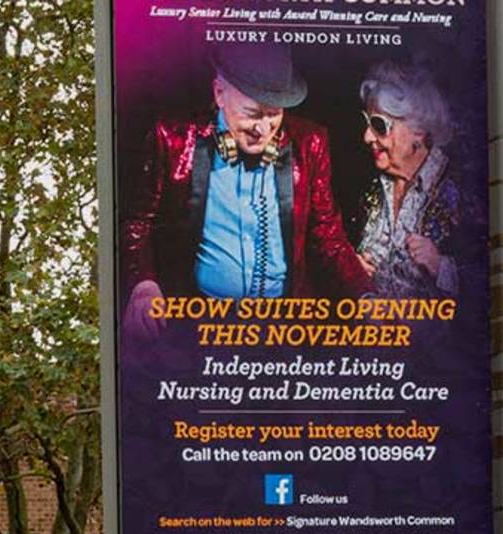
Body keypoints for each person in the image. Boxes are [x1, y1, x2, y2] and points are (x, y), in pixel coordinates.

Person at [120, 42, 372, 337]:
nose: (263, 129)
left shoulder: (309, 143)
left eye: (274, 114)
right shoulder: (173, 139)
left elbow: (327, 233)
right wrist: (143, 284)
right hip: (198, 327)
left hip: (283, 330)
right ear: (219, 93)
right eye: (252, 113)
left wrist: (364, 296)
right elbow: (138, 221)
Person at [355, 61, 467, 299]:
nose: (366, 137)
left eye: (379, 126)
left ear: (418, 130)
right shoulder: (372, 186)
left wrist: (442, 267)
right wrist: (354, 270)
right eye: (367, 122)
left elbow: (495, 278)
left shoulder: (460, 188)